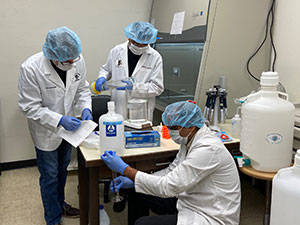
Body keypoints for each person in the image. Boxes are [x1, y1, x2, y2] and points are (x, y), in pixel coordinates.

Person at [101, 101, 241, 225]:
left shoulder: (208, 149)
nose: (170, 132)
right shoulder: (188, 140)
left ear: (191, 126)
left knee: (143, 223)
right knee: (137, 191)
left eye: (174, 128)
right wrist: (134, 180)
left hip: (210, 214)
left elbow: (167, 187)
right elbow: (171, 171)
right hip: (190, 199)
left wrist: (125, 169)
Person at [18, 26, 92, 225]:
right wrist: (59, 120)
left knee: (62, 170)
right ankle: (52, 218)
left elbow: (82, 89)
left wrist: (86, 108)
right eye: (66, 60)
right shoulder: (31, 68)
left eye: (73, 59)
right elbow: (29, 107)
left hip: (70, 131)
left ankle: (60, 204)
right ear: (52, 54)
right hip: (46, 131)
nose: (71, 63)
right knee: (49, 175)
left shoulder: (77, 59)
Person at [95, 21, 164, 121]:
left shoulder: (155, 57)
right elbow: (106, 69)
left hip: (140, 112)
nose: (139, 47)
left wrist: (135, 88)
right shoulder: (117, 50)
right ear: (129, 37)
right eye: (136, 43)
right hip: (118, 106)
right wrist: (102, 77)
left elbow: (157, 87)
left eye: (143, 44)